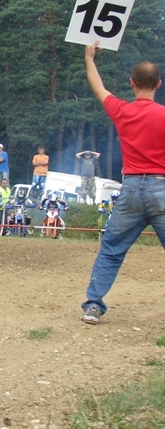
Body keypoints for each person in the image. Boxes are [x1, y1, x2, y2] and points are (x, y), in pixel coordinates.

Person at [81, 40, 165, 325]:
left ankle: (93, 305)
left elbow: (98, 88)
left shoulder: (123, 111)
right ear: (158, 84)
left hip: (129, 189)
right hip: (161, 188)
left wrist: (89, 58)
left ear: (131, 83)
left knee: (112, 250)